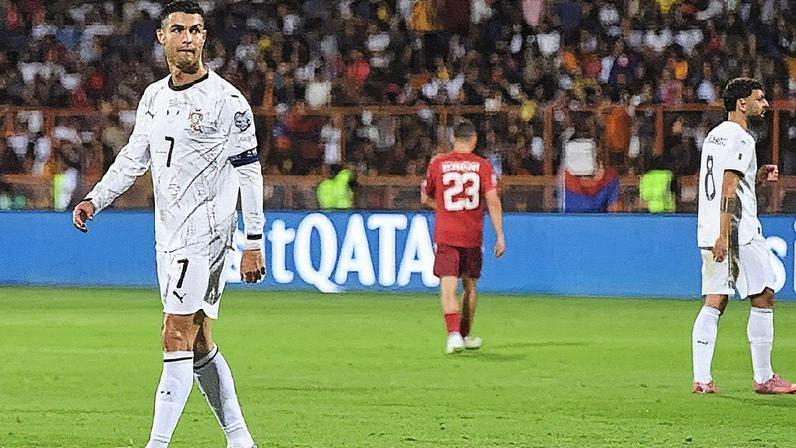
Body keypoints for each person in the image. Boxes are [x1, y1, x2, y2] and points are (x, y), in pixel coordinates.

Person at [71, 2, 263, 446]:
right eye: (178, 30)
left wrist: (254, 240)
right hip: (169, 234)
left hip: (207, 234)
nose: (189, 39)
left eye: (196, 30)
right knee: (198, 341)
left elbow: (250, 172)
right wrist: (97, 198)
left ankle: (156, 443)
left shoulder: (227, 102)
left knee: (174, 332)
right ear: (162, 38)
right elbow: (134, 157)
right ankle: (240, 438)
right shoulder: (155, 97)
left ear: (205, 37)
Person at [692, 77, 795, 395]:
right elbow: (728, 187)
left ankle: (702, 378)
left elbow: (727, 177)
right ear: (742, 103)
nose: (765, 104)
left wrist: (756, 174)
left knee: (715, 299)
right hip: (738, 232)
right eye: (760, 99)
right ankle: (764, 377)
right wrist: (726, 234)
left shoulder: (714, 136)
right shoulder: (741, 138)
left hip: (708, 227)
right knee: (764, 296)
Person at [421, 118, 506, 354]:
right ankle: (465, 334)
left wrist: (445, 208)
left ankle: (453, 335)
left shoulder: (438, 163)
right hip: (472, 235)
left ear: (453, 139)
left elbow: (424, 198)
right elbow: (493, 201)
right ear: (474, 140)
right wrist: (500, 235)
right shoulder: (483, 166)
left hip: (447, 234)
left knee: (448, 285)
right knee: (470, 287)